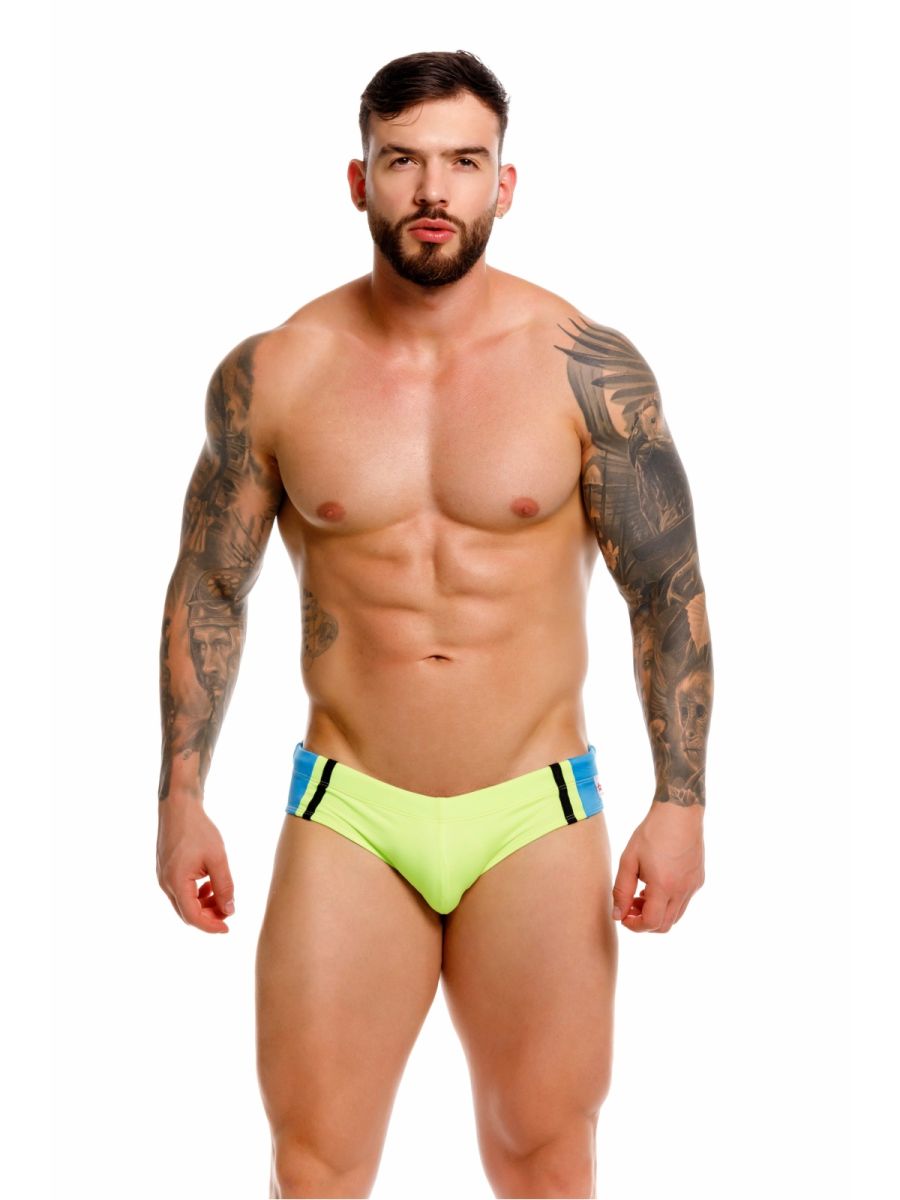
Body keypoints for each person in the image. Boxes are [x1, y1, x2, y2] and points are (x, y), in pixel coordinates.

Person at [156, 48, 713, 1200]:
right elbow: (210, 584)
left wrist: (681, 801)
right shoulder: (276, 373)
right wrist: (179, 795)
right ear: (357, 179)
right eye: (402, 160)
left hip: (536, 809)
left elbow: (666, 587)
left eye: (464, 162)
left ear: (504, 184)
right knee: (315, 1167)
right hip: (351, 808)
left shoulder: (585, 367)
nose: (432, 190)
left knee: (545, 1161)